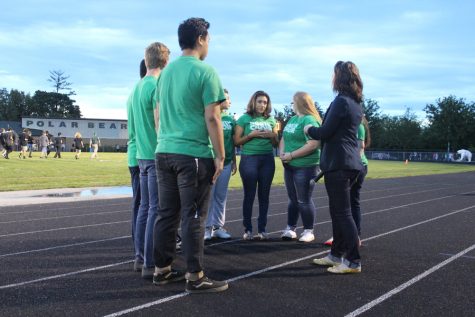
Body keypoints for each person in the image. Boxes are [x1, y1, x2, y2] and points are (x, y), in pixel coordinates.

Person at [153, 17, 228, 293]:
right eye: (208, 39)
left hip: (164, 152)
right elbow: (213, 117)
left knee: (166, 214)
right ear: (200, 39)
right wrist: (220, 155)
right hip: (193, 154)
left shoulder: (166, 73)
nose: (209, 44)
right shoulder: (206, 72)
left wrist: (166, 139)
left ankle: (161, 270)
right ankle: (195, 276)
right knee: (194, 216)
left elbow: (158, 114)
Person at [304, 61, 364, 274]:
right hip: (348, 162)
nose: (331, 78)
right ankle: (336, 255)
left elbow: (324, 132)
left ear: (339, 77)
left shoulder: (341, 102)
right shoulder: (356, 103)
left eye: (333, 74)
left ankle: (353, 261)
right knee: (339, 212)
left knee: (343, 213)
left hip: (339, 164)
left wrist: (309, 128)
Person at [133, 42, 170, 279]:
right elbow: (159, 123)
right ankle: (149, 262)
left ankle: (139, 257)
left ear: (147, 61)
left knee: (145, 209)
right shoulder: (157, 86)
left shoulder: (137, 87)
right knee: (156, 210)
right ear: (165, 63)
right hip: (154, 154)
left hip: (140, 155)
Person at [234, 90, 279, 240]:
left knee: (264, 196)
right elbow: (236, 141)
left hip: (267, 159)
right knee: (249, 195)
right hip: (249, 159)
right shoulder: (244, 118)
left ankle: (262, 229)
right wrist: (251, 135)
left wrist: (274, 136)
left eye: (265, 102)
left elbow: (275, 144)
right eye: (259, 101)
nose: (262, 105)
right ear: (253, 102)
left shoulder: (271, 120)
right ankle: (248, 229)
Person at [279, 92, 322, 243]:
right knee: (292, 199)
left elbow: (313, 144)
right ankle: (290, 229)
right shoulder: (293, 119)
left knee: (303, 199)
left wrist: (291, 155)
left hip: (306, 166)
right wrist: (282, 152)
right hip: (289, 165)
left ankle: (308, 231)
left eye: (293, 102)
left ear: (300, 103)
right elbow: (284, 136)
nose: (291, 105)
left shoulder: (309, 119)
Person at [324, 116, 370, 247]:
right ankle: (347, 236)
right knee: (346, 203)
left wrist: (351, 163)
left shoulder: (358, 126)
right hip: (349, 166)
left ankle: (354, 236)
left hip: (355, 167)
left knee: (350, 202)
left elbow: (361, 148)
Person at [204, 89, 236, 240]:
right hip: (211, 161)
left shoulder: (230, 120)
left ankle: (218, 226)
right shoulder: (209, 114)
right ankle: (206, 228)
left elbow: (233, 143)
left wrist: (234, 161)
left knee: (221, 196)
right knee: (208, 195)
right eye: (227, 99)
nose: (229, 101)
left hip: (227, 162)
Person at [126, 59, 146, 272]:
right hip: (142, 153)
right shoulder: (146, 89)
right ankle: (141, 252)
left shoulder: (134, 91)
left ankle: (140, 250)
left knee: (140, 205)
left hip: (134, 153)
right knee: (144, 206)